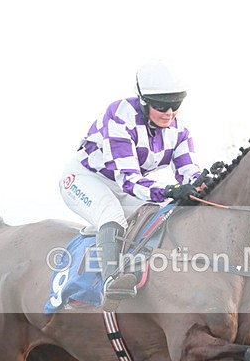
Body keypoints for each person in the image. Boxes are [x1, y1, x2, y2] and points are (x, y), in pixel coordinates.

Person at [60, 60, 204, 311]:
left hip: (126, 185)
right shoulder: (119, 115)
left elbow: (188, 171)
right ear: (144, 101)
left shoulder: (179, 131)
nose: (169, 112)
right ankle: (111, 281)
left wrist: (203, 183)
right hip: (85, 179)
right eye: (161, 106)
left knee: (159, 214)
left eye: (175, 104)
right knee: (110, 213)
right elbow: (128, 179)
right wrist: (169, 191)